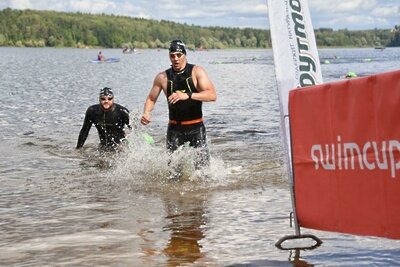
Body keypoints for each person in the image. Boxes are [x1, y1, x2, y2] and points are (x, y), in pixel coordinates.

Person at [140, 39, 217, 171]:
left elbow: (212, 95)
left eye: (178, 55)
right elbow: (151, 99)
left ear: (185, 55)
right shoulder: (162, 77)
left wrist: (188, 95)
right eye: (172, 55)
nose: (175, 59)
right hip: (175, 129)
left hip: (196, 128)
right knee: (173, 173)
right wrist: (147, 112)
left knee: (203, 171)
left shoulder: (196, 71)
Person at [76, 87, 131, 151]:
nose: (106, 101)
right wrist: (78, 148)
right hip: (103, 146)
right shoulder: (92, 111)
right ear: (99, 99)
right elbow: (84, 131)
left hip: (120, 147)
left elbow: (135, 128)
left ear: (113, 99)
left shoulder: (122, 111)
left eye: (109, 99)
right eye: (103, 99)